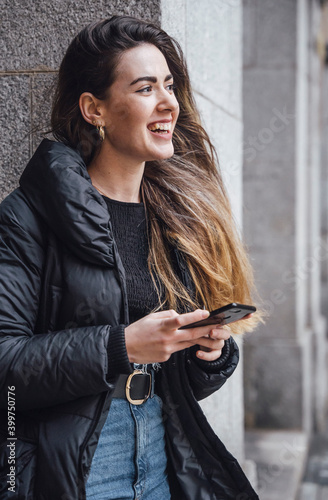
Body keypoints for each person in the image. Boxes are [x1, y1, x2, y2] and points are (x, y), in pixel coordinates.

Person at [0, 15, 260, 500]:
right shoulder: (28, 216)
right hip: (77, 466)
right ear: (94, 109)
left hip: (161, 452)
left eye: (169, 84)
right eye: (145, 89)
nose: (169, 103)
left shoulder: (174, 217)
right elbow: (6, 364)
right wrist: (120, 346)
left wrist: (209, 354)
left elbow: (172, 372)